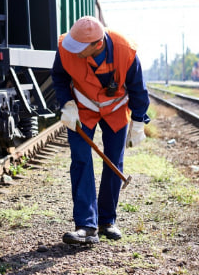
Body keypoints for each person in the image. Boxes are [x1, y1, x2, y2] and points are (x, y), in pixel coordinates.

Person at [51, 16, 150, 244]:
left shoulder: (126, 50)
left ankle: (107, 221)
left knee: (113, 161)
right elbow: (59, 76)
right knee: (81, 159)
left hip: (115, 109)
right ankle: (86, 225)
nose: (73, 50)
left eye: (80, 48)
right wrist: (66, 104)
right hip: (83, 108)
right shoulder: (67, 46)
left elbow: (137, 88)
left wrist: (138, 121)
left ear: (98, 44)